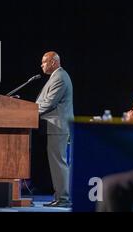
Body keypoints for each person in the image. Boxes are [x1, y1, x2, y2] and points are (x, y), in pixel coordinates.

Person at [36, 51, 74, 207]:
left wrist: (28, 112)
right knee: (57, 163)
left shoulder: (60, 77)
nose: (41, 65)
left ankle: (63, 198)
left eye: (44, 62)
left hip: (58, 126)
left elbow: (49, 103)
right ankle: (60, 196)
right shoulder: (57, 76)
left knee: (58, 163)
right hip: (55, 126)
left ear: (53, 62)